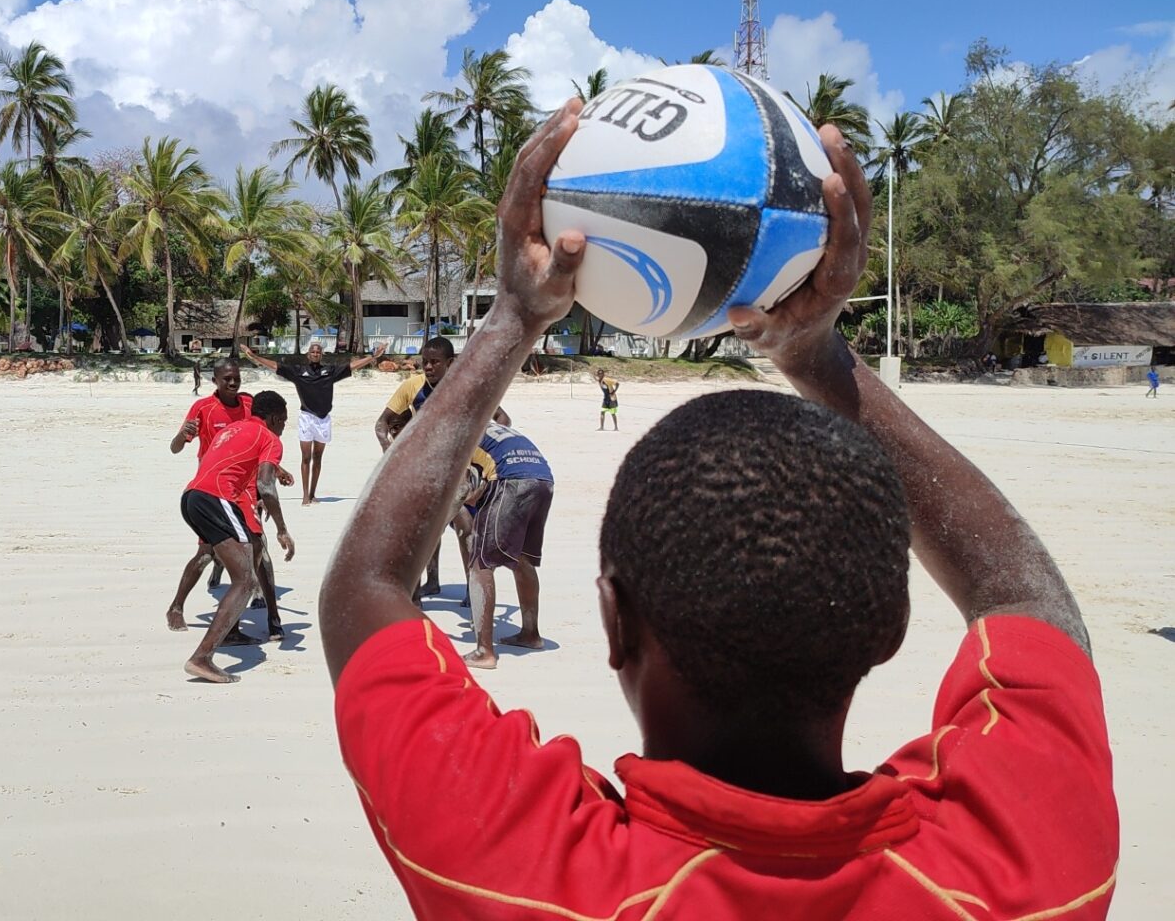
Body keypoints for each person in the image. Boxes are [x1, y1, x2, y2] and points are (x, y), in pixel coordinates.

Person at [321, 101, 1115, 917]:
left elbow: (364, 591)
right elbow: (1023, 600)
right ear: (892, 629)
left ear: (614, 619)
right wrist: (814, 354)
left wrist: (514, 318)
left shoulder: (524, 873)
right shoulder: (1022, 873)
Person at [375, 336, 507, 598]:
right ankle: (432, 580)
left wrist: (490, 449)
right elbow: (382, 423)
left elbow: (501, 417)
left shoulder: (468, 388)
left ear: (451, 363)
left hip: (461, 472)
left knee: (464, 525)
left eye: (435, 362)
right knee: (427, 528)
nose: (428, 367)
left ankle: (473, 587)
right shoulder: (412, 386)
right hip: (424, 471)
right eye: (425, 362)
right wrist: (387, 448)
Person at [180, 389, 295, 683]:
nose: (283, 428)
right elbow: (266, 486)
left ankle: (229, 632)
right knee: (246, 579)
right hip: (215, 498)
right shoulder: (270, 438)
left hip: (191, 497)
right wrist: (282, 529)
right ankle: (202, 658)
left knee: (249, 554)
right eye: (283, 422)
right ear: (274, 418)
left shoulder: (233, 429)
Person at [461, 421, 554, 668]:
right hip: (543, 479)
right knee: (521, 559)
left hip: (511, 481)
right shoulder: (490, 426)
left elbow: (464, 489)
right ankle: (530, 634)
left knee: (480, 563)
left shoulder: (460, 432)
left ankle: (484, 652)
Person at [241, 340, 380, 505]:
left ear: (321, 355)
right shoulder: (299, 372)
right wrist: (255, 356)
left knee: (318, 457)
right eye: (313, 352)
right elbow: (276, 366)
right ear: (308, 355)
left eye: (318, 352)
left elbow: (351, 366)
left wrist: (372, 357)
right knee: (306, 457)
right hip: (306, 418)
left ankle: (313, 494)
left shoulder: (330, 371)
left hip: (323, 419)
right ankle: (305, 495)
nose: (315, 354)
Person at [168, 360, 252, 614]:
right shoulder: (203, 408)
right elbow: (174, 448)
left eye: (236, 377)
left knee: (254, 541)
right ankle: (177, 606)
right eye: (227, 379)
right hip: (212, 490)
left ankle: (256, 594)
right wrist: (182, 435)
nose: (233, 383)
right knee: (205, 550)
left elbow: (261, 440)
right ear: (214, 380)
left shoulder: (249, 404)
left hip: (244, 487)